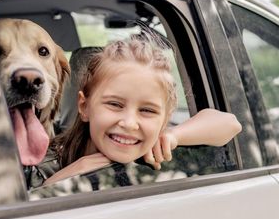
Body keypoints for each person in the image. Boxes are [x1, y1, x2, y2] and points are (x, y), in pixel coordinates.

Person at [28, 36, 242, 188]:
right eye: (115, 105)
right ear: (84, 107)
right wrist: (60, 181)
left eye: (147, 110)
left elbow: (231, 123)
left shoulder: (157, 149)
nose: (130, 123)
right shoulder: (41, 164)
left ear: (165, 119)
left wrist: (174, 135)